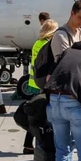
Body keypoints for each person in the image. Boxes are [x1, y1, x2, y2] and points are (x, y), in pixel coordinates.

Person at [23, 18, 58, 153]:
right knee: (41, 117)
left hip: (34, 82)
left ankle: (28, 143)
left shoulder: (37, 43)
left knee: (35, 115)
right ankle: (35, 143)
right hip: (43, 84)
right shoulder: (49, 45)